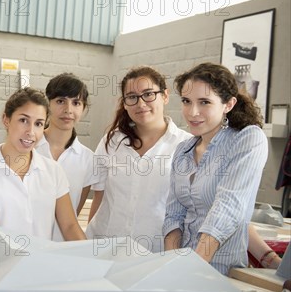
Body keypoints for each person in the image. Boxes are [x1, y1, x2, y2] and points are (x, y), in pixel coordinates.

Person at [163, 62, 268, 275]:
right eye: (186, 101)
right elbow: (173, 215)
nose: (193, 112)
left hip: (220, 272)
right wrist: (171, 265)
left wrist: (194, 268)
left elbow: (227, 208)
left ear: (228, 104)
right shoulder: (183, 151)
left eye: (204, 102)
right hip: (180, 270)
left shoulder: (248, 139)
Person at [86, 66, 191, 253]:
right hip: (105, 247)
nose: (141, 104)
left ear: (165, 96)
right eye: (132, 97)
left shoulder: (186, 145)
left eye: (148, 94)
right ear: (125, 103)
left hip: (155, 251)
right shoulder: (112, 141)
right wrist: (90, 247)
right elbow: (99, 198)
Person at [0, 87, 86, 241]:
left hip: (41, 263)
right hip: (1, 261)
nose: (31, 132)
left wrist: (93, 259)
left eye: (38, 124)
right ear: (6, 119)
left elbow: (69, 226)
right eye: (23, 120)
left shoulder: (53, 171)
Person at [35, 73, 95, 241]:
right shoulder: (28, 148)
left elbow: (72, 216)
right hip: (24, 245)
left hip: (62, 247)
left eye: (76, 103)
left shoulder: (88, 160)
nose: (68, 110)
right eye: (61, 101)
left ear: (83, 108)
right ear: (47, 104)